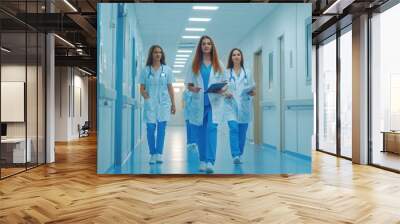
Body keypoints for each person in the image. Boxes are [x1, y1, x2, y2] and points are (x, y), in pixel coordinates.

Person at [185, 35, 226, 173]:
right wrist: (193, 89)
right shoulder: (194, 64)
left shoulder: (219, 64)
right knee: (201, 133)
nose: (206, 46)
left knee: (211, 130)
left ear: (212, 46)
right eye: (204, 44)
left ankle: (210, 161)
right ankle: (202, 160)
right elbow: (188, 85)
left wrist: (222, 90)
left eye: (209, 43)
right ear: (200, 47)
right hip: (199, 103)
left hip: (214, 103)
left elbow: (226, 83)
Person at [140, 45, 176, 164]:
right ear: (152, 54)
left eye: (160, 52)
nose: (158, 54)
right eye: (155, 52)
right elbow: (142, 87)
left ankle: (159, 153)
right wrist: (146, 97)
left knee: (161, 129)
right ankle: (152, 153)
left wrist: (173, 104)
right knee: (150, 129)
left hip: (164, 104)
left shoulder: (167, 70)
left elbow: (170, 87)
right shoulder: (146, 70)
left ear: (162, 55)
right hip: (150, 103)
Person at [224, 48, 256, 164]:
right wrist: (224, 93)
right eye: (234, 55)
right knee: (233, 128)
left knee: (242, 132)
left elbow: (253, 88)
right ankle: (235, 155)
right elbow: (222, 88)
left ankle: (240, 153)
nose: (236, 56)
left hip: (244, 105)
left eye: (238, 54)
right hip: (230, 105)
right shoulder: (226, 72)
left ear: (241, 57)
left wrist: (252, 92)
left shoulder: (248, 72)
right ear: (231, 58)